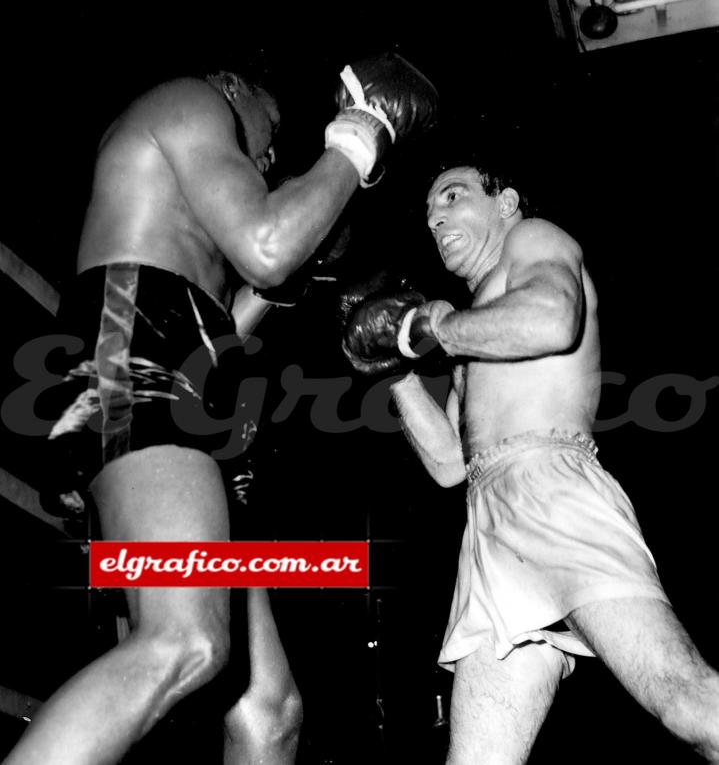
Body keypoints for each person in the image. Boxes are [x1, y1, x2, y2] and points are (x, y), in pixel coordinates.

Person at [4, 52, 438, 765]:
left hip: (177, 368)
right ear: (234, 88)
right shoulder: (191, 100)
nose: (268, 156)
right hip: (130, 349)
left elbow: (226, 318)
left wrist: (292, 279)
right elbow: (266, 244)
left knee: (269, 713)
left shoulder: (180, 211)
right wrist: (360, 132)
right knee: (184, 640)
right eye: (267, 133)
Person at [341, 157, 719, 764]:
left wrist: (435, 326)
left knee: (686, 702)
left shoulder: (534, 240)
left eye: (454, 197)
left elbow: (551, 318)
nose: (436, 218)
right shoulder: (475, 326)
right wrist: (397, 370)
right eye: (430, 213)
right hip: (489, 522)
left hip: (553, 487)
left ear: (507, 201)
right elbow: (447, 463)